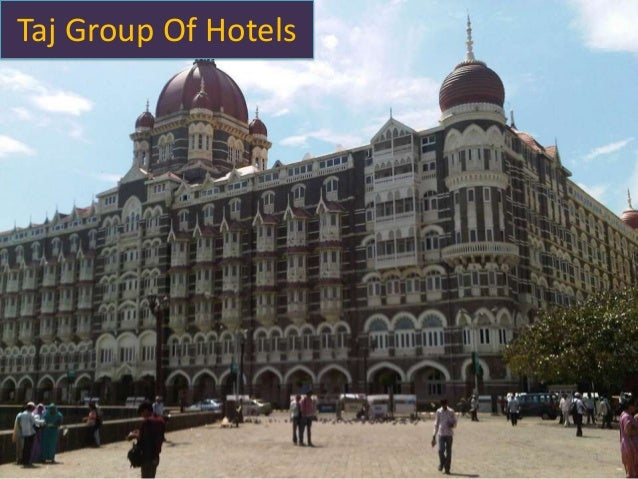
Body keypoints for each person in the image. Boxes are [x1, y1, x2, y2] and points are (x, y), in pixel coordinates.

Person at [127, 401, 166, 479]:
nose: (142, 416)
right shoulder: (161, 421)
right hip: (156, 455)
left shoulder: (147, 422)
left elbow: (142, 437)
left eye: (142, 413)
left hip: (147, 455)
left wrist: (132, 435)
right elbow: (154, 436)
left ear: (146, 410)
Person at [432, 398, 457, 475]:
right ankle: (442, 462)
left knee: (448, 452)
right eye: (442, 405)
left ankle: (447, 468)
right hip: (441, 434)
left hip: (449, 434)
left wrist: (453, 425)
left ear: (447, 404)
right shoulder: (438, 411)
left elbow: (455, 421)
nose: (444, 406)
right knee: (440, 450)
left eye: (445, 405)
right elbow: (436, 424)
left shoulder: (451, 411)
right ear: (441, 405)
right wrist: (434, 435)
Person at [619, 396, 638, 478]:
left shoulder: (626, 415)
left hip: (629, 445)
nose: (635, 407)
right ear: (629, 406)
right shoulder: (626, 417)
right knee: (632, 471)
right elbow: (629, 431)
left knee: (632, 470)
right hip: (630, 446)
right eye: (634, 405)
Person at [17, 401, 37, 467]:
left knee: (25, 447)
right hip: (31, 433)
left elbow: (19, 423)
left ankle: (24, 460)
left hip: (24, 433)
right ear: (31, 408)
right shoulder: (31, 415)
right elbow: (34, 424)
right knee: (29, 447)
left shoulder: (22, 414)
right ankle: (27, 461)